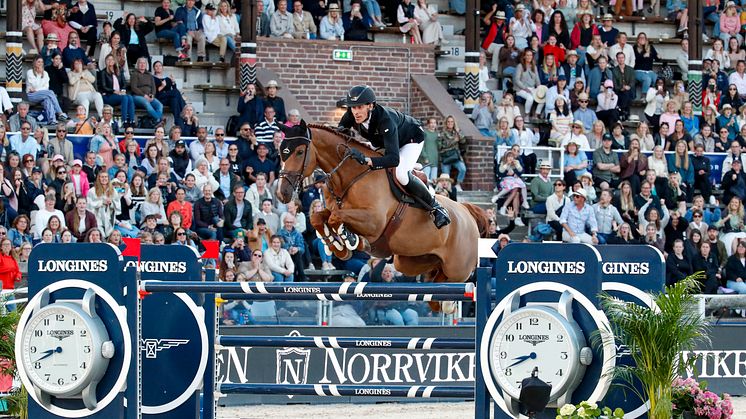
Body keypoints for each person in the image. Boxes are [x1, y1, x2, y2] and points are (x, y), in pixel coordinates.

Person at [340, 85, 449, 228]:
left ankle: (436, 207)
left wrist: (367, 160)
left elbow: (393, 159)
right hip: (383, 142)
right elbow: (339, 134)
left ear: (371, 106)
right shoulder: (351, 115)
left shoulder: (385, 120)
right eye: (353, 107)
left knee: (401, 174)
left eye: (360, 107)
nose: (356, 112)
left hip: (410, 139)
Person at [26, 56, 68, 124]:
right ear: (35, 63)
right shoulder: (30, 72)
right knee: (50, 92)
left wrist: (36, 90)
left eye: (42, 62)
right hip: (32, 95)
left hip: (42, 94)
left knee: (48, 99)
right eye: (38, 62)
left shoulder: (45, 73)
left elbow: (46, 87)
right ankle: (60, 113)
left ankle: (52, 120)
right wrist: (39, 74)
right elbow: (34, 84)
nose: (40, 63)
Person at [98, 54, 135, 128]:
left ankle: (131, 121)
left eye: (112, 59)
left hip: (119, 94)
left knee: (130, 97)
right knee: (125, 98)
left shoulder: (119, 70)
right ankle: (124, 120)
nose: (110, 61)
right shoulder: (103, 72)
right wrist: (114, 91)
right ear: (106, 62)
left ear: (114, 61)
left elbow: (124, 83)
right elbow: (103, 86)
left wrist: (123, 90)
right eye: (108, 60)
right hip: (108, 95)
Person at [438, 115, 466, 189]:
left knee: (463, 169)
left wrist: (458, 131)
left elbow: (463, 141)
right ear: (446, 123)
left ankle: (458, 185)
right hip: (445, 157)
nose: (450, 123)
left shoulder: (456, 132)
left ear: (454, 123)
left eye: (452, 122)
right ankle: (447, 189)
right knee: (446, 176)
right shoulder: (442, 133)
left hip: (455, 156)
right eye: (448, 121)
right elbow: (441, 146)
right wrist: (454, 141)